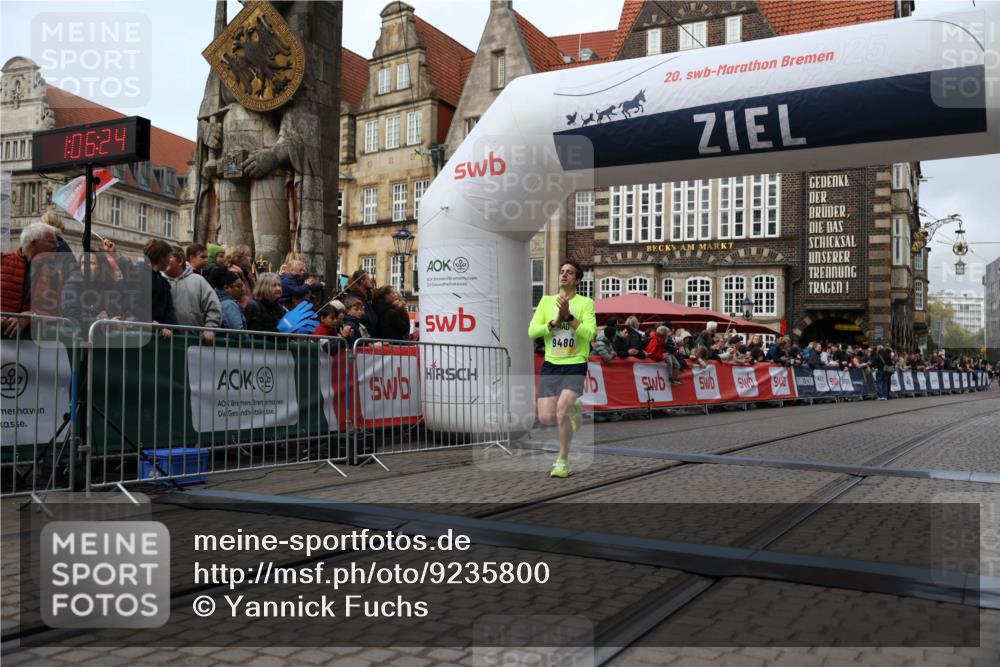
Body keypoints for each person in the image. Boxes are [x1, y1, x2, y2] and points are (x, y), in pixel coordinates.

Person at [528, 260, 596, 479]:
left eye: (569, 273)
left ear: (578, 279)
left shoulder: (586, 303)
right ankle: (573, 409)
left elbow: (590, 334)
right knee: (546, 417)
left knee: (561, 412)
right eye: (562, 272)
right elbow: (532, 332)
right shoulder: (546, 301)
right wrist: (554, 322)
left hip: (575, 363)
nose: (564, 275)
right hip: (552, 364)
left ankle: (563, 461)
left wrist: (569, 318)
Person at [1, 222, 60, 336]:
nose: (57, 246)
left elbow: (56, 312)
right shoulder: (2, 261)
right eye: (52, 242)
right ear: (34, 243)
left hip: (30, 349)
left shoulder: (55, 275)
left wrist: (32, 315)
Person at [162, 247, 222, 340]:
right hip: (163, 342)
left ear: (180, 261)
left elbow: (213, 307)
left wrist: (210, 328)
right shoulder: (159, 280)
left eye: (169, 257)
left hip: (195, 342)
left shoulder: (198, 281)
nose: (164, 260)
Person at [208, 266, 246, 331]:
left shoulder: (216, 300)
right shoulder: (228, 305)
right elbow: (238, 332)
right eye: (238, 286)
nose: (242, 289)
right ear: (226, 288)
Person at [344, 269, 378, 335]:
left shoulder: (366, 298)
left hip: (371, 338)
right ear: (362, 281)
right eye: (368, 279)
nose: (370, 281)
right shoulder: (353, 297)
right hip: (362, 338)